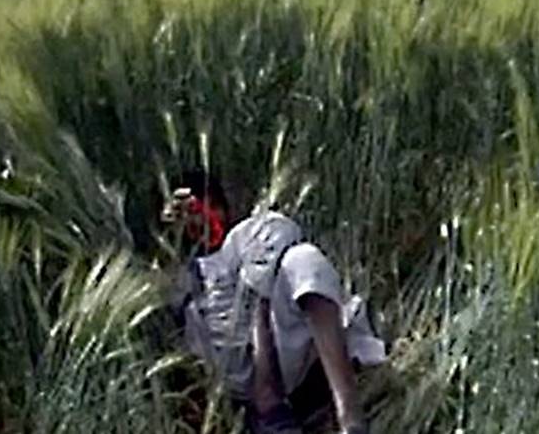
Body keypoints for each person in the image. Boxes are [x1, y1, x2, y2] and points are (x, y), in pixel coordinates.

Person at [161, 171, 384, 434]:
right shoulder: (178, 270)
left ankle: (349, 415)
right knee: (261, 238)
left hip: (287, 348)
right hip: (231, 360)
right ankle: (266, 399)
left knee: (302, 257)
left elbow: (281, 235)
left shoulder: (249, 239)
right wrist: (172, 238)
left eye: (206, 206)